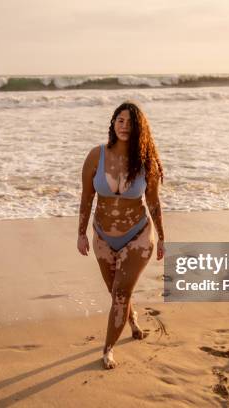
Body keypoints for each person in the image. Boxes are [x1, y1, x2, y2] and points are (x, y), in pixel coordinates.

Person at [77, 101, 165, 369]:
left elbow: (153, 202)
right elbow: (86, 196)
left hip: (138, 235)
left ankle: (108, 349)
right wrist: (81, 233)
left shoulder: (146, 161)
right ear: (113, 124)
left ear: (140, 128)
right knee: (115, 291)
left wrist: (162, 237)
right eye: (120, 121)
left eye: (131, 122)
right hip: (103, 235)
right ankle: (132, 318)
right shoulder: (96, 155)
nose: (125, 126)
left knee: (120, 294)